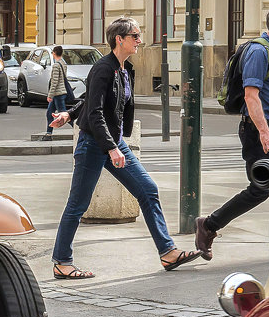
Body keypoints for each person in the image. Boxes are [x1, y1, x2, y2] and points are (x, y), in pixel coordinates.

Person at [48, 17, 204, 279]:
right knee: (78, 204)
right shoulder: (103, 68)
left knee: (148, 190)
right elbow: (95, 110)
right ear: (119, 39)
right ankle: (62, 262)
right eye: (135, 36)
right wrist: (110, 148)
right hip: (95, 144)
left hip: (113, 142)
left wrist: (69, 114)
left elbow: (90, 102)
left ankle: (167, 252)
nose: (139, 40)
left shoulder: (124, 68)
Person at [196, 3, 269, 262]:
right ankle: (209, 225)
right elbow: (251, 96)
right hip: (259, 131)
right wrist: (265, 133)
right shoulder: (258, 51)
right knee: (260, 189)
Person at [41, 46, 68, 140]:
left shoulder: (56, 65)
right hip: (60, 92)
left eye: (52, 52)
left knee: (65, 115)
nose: (52, 54)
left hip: (58, 93)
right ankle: (48, 133)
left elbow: (55, 81)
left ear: (55, 53)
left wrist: (50, 95)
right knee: (49, 113)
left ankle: (80, 129)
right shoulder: (63, 63)